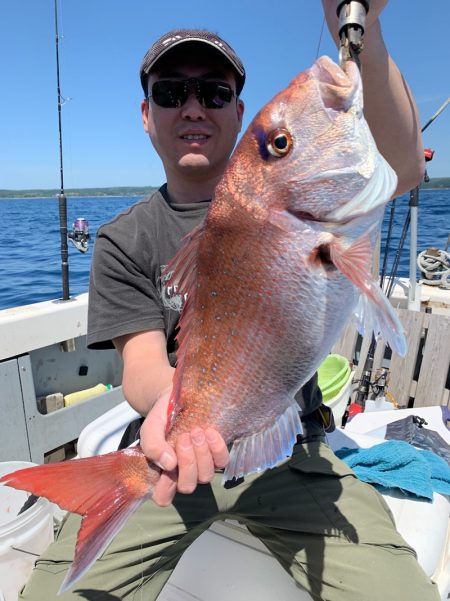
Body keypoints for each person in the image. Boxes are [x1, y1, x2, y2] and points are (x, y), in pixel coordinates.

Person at [21, 2, 440, 600]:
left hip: (296, 452)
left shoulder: (318, 213)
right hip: (172, 457)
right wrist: (177, 429)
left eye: (213, 93)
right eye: (171, 92)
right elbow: (142, 366)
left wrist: (363, 32)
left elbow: (401, 163)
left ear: (239, 114)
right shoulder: (123, 239)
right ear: (147, 115)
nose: (192, 105)